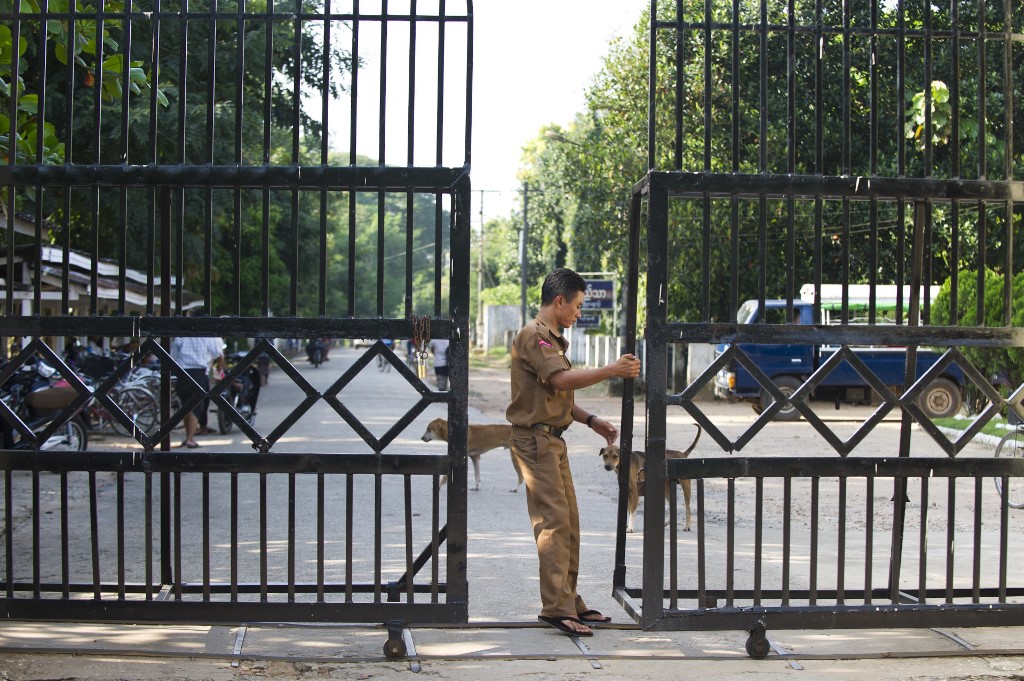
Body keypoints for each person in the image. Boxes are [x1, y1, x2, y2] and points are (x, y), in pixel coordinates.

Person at [506, 267, 641, 637]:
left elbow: (555, 395)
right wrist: (612, 370)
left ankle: (568, 600)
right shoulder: (534, 336)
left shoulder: (551, 340)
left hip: (552, 439)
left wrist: (591, 419)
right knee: (554, 523)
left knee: (570, 524)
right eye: (578, 306)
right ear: (560, 301)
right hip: (534, 441)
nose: (579, 314)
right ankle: (556, 608)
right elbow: (561, 380)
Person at [171, 325, 225, 449]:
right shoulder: (207, 335)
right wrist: (219, 367)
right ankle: (190, 439)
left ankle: (187, 437)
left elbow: (173, 354)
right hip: (199, 373)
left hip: (182, 372)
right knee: (196, 406)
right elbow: (217, 353)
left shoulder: (181, 335)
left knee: (186, 405)